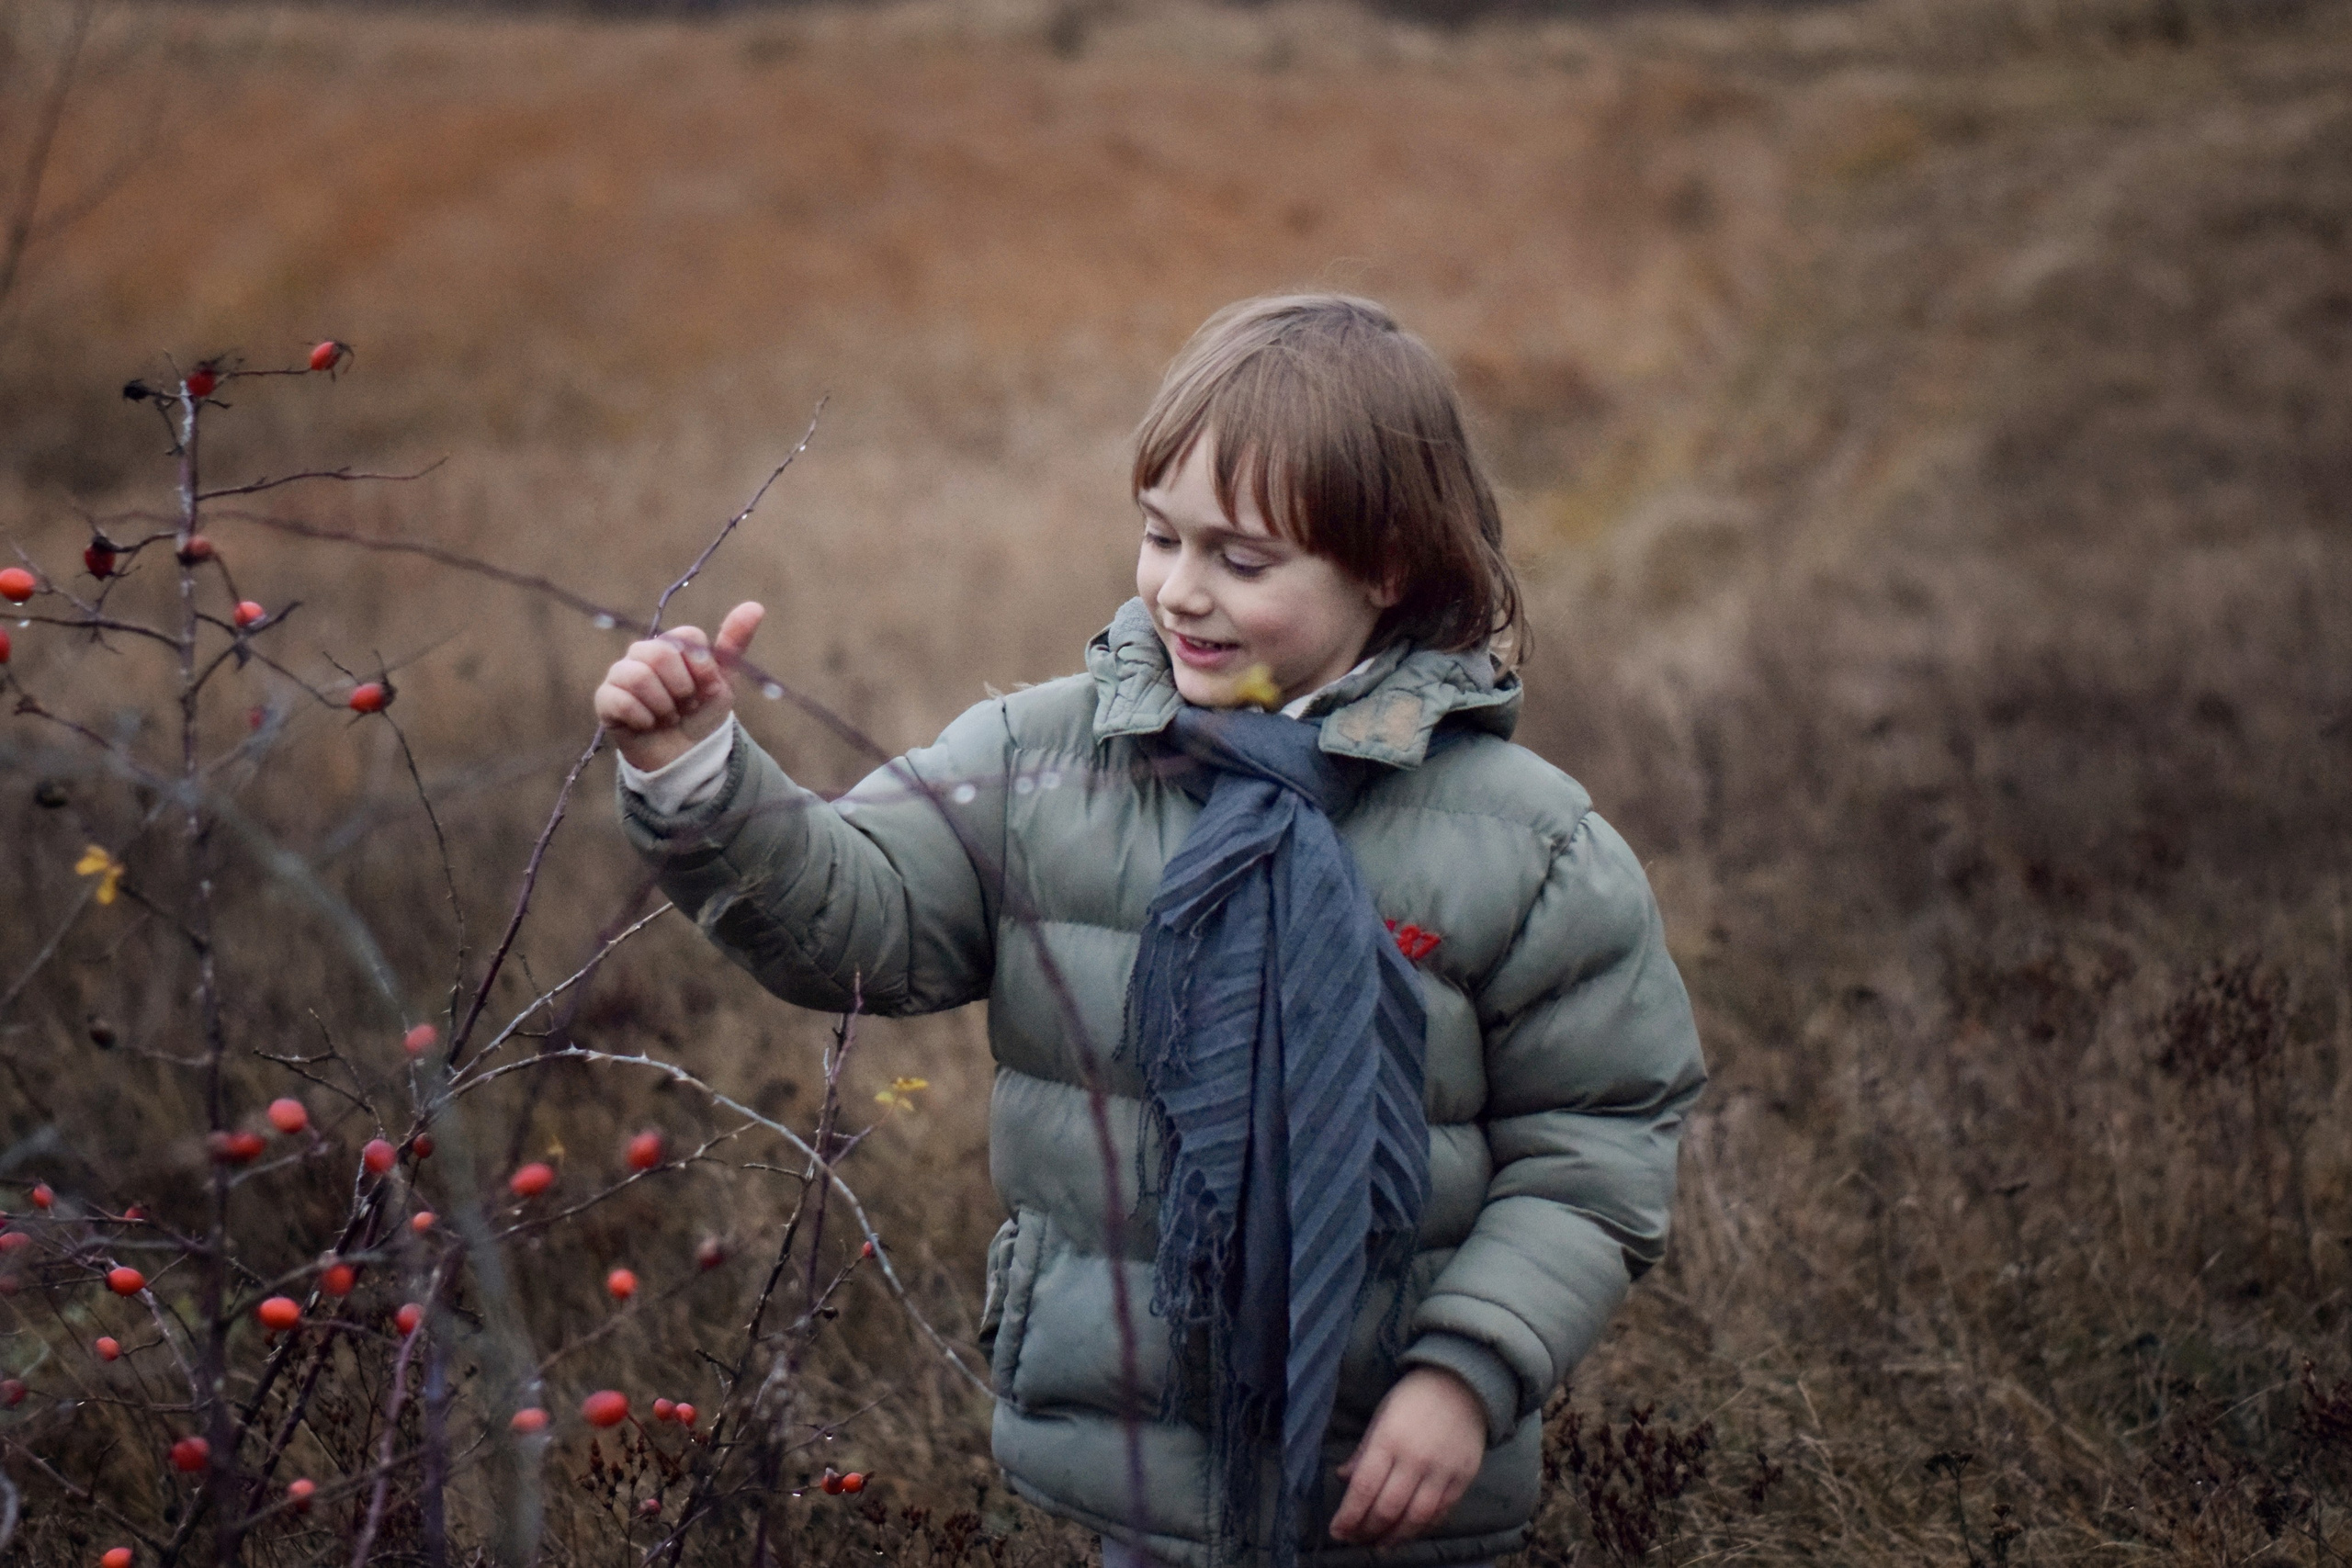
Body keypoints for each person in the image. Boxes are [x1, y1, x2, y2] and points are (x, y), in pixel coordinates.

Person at [594, 294, 1706, 1568]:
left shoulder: (1527, 841)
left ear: (1386, 566)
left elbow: (1601, 1139)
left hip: (1400, 1476)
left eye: (1241, 559)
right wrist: (700, 779)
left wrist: (1467, 1373)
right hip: (1138, 1460)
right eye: (1160, 536)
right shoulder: (1044, 764)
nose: (1181, 592)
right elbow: (859, 921)